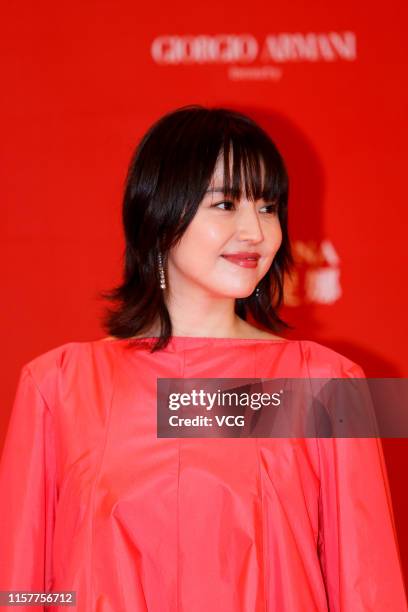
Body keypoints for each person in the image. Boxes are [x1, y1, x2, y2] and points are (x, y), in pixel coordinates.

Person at [0, 105, 406, 611]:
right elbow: (20, 585)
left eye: (267, 206)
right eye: (225, 204)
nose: (256, 232)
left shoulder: (325, 383)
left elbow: (368, 586)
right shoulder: (58, 385)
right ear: (160, 213)